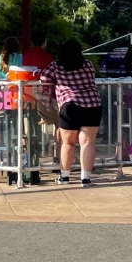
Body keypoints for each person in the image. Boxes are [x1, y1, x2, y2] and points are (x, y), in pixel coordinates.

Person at [40, 39, 101, 186]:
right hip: (93, 103)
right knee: (87, 142)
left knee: (68, 142)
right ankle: (86, 178)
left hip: (70, 105)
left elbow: (43, 77)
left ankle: (65, 176)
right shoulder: (88, 64)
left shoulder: (56, 66)